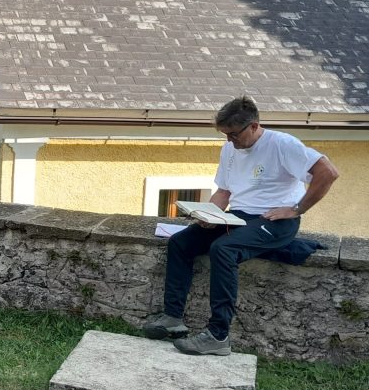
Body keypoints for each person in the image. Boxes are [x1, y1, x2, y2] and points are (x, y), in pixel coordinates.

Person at [145, 96, 339, 356]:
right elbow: (224, 191)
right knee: (181, 242)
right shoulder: (230, 149)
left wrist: (296, 209)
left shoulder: (282, 144)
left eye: (233, 134)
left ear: (254, 126)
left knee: (223, 249)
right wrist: (209, 213)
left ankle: (218, 336)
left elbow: (328, 172)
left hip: (275, 220)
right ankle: (173, 319)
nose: (229, 141)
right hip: (237, 217)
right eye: (225, 135)